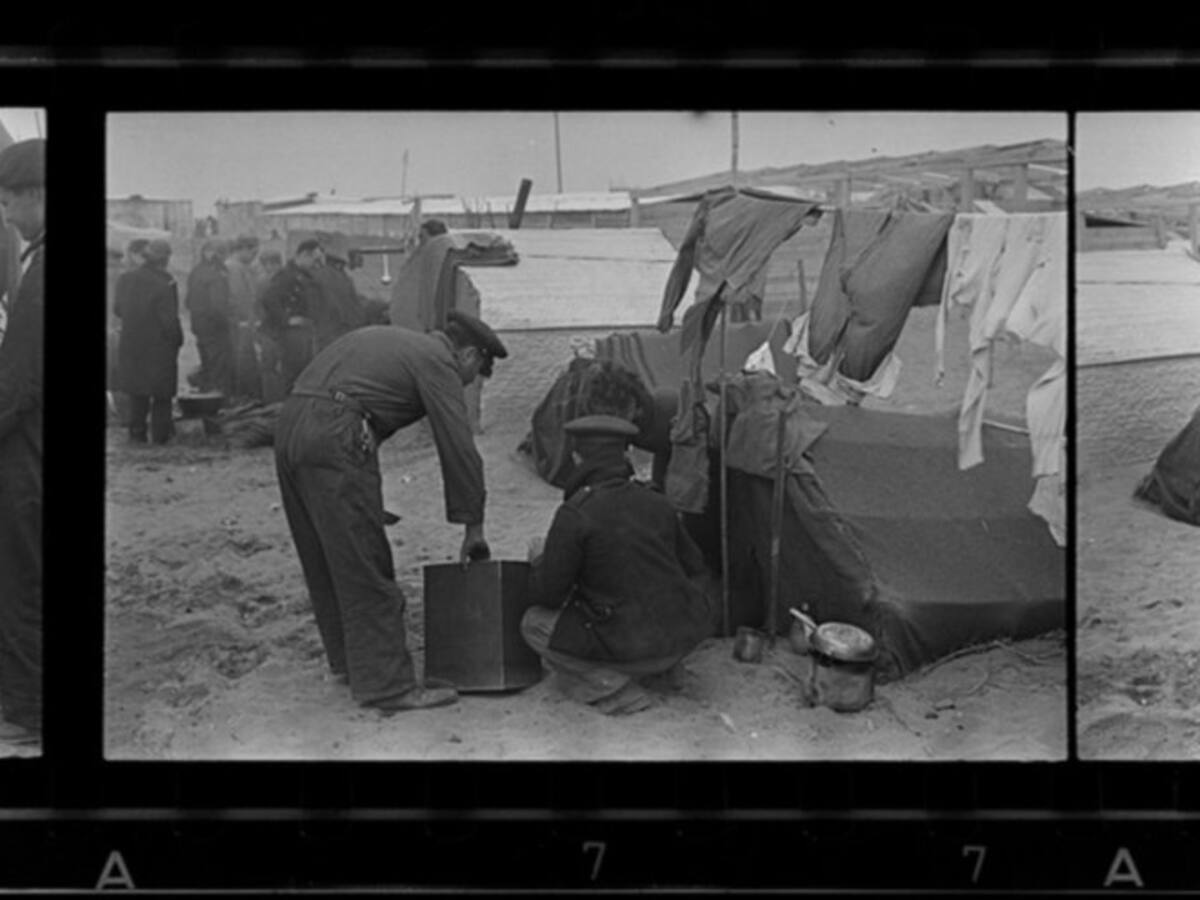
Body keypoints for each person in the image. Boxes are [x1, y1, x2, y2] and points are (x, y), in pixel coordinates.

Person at [274, 310, 508, 714]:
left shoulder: (392, 340)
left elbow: (339, 402)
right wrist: (474, 526)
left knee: (327, 557)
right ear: (469, 355)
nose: (470, 383)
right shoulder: (439, 361)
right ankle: (387, 686)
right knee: (366, 564)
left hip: (291, 426)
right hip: (335, 432)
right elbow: (459, 447)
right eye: (478, 374)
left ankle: (351, 663)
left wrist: (361, 497)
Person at [521, 415, 713, 716]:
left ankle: (614, 687)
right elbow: (696, 565)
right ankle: (666, 673)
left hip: (631, 647)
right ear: (625, 456)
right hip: (680, 639)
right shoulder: (656, 500)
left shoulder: (576, 512)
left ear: (576, 457)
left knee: (534, 623)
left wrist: (540, 560)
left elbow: (549, 595)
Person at [0, 138, 46, 746]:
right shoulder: (32, 261)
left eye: (11, 199)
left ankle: (29, 709)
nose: (6, 211)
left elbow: (20, 380)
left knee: (23, 577)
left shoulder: (41, 271)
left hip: (27, 449)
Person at [114, 239, 184, 444]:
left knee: (138, 391)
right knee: (162, 394)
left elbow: (117, 310)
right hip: (159, 345)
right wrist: (177, 341)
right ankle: (161, 436)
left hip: (132, 343)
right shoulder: (166, 282)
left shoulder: (125, 279)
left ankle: (137, 434)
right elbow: (169, 320)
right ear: (166, 259)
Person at [259, 239, 322, 393]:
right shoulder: (287, 276)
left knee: (302, 371)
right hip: (291, 334)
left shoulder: (304, 276)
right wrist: (286, 320)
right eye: (314, 260)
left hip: (303, 331)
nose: (316, 265)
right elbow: (269, 298)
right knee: (293, 372)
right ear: (304, 256)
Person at [185, 239, 235, 396]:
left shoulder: (196, 271)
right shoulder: (216, 274)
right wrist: (228, 322)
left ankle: (206, 398)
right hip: (215, 327)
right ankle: (218, 402)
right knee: (218, 368)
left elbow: (187, 301)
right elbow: (218, 306)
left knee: (207, 363)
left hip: (199, 326)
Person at [311, 236, 364, 351]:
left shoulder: (316, 275)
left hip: (325, 338)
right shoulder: (342, 279)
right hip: (341, 336)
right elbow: (355, 311)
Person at [226, 234, 262, 399]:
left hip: (246, 321)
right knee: (241, 359)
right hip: (242, 322)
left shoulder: (242, 267)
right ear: (243, 249)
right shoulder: (234, 268)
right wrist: (245, 319)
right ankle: (241, 395)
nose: (254, 258)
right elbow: (239, 296)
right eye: (253, 253)